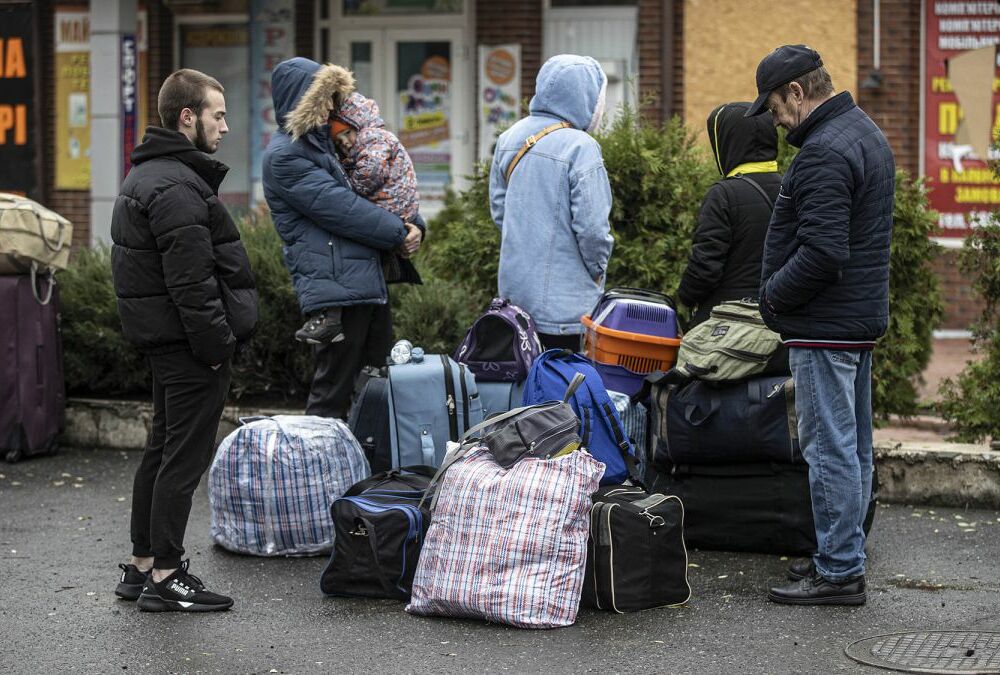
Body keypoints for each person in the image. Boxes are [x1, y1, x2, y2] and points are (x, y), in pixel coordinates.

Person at [745, 45, 895, 606]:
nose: (775, 119)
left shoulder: (825, 152)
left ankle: (837, 572)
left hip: (823, 325)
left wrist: (772, 299)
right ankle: (843, 557)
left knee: (828, 448)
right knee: (852, 447)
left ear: (798, 93)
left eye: (776, 106)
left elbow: (824, 251)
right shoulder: (862, 132)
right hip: (850, 322)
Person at [110, 68, 258, 612]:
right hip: (191, 347)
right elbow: (192, 284)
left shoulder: (153, 175)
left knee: (161, 450)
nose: (225, 126)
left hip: (168, 343)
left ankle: (143, 566)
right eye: (218, 115)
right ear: (187, 117)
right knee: (182, 459)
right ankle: (167, 575)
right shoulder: (174, 184)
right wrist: (217, 347)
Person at [263, 58, 422, 419]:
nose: (332, 108)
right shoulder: (285, 156)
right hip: (337, 290)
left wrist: (416, 224)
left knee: (377, 386)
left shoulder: (327, 144)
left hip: (364, 280)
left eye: (334, 99)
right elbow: (345, 210)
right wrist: (400, 233)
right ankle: (316, 469)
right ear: (301, 102)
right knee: (332, 391)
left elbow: (380, 189)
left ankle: (370, 471)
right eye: (323, 100)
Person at [489, 54, 614, 351]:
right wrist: (597, 271)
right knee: (563, 390)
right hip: (566, 308)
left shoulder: (509, 137)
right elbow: (593, 228)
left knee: (525, 392)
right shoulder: (581, 147)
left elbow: (499, 213)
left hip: (514, 302)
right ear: (586, 97)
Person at [295, 91, 422, 345]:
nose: (346, 144)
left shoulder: (372, 141)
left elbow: (368, 187)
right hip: (359, 270)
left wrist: (413, 229)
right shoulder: (297, 156)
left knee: (372, 359)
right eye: (339, 142)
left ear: (354, 124)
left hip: (368, 267)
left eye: (346, 135)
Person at [677, 102, 782, 327]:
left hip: (727, 326)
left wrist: (684, 296)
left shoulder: (723, 194)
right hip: (778, 323)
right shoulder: (791, 187)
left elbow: (705, 266)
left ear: (727, 142)